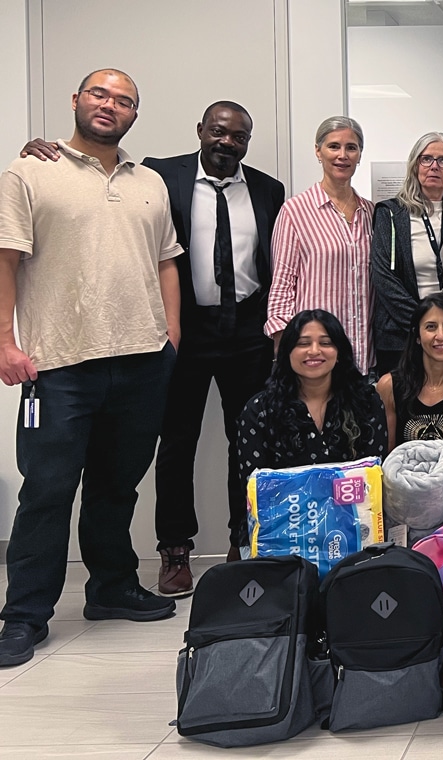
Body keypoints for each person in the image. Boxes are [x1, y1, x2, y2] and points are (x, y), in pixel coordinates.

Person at [18, 102, 287, 595]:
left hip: (248, 332)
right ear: (200, 130)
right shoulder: (161, 175)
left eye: (239, 136)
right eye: (218, 131)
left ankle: (244, 542)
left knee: (250, 441)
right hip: (183, 329)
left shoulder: (269, 189)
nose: (227, 142)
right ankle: (175, 550)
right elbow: (99, 172)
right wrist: (39, 148)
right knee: (177, 441)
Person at [0, 69, 183, 667]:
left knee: (116, 486)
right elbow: (6, 258)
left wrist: (170, 335)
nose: (110, 105)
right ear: (76, 100)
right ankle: (24, 615)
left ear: (135, 114)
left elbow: (166, 261)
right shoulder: (30, 172)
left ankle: (110, 587)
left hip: (141, 361)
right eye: (99, 95)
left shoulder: (149, 182)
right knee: (47, 491)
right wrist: (5, 342)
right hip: (59, 366)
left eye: (123, 100)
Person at [237, 310, 386, 494]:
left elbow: (374, 481)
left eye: (325, 343)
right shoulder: (260, 410)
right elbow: (253, 489)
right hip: (285, 512)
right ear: (287, 352)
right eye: (303, 343)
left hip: (356, 511)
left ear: (339, 352)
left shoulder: (367, 402)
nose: (314, 351)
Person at [267, 117, 373, 372]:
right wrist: (285, 350)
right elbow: (282, 286)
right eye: (334, 146)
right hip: (314, 359)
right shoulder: (295, 211)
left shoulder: (371, 213)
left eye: (351, 148)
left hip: (365, 359)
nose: (342, 155)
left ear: (359, 155)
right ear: (318, 151)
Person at [371, 132, 443, 374]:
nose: (434, 166)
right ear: (415, 166)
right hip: (401, 335)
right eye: (426, 159)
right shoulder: (390, 213)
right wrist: (424, 324)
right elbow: (384, 278)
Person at [375, 293, 443, 474]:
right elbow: (386, 458)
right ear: (417, 336)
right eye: (431, 327)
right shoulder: (389, 385)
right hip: (400, 483)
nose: (440, 335)